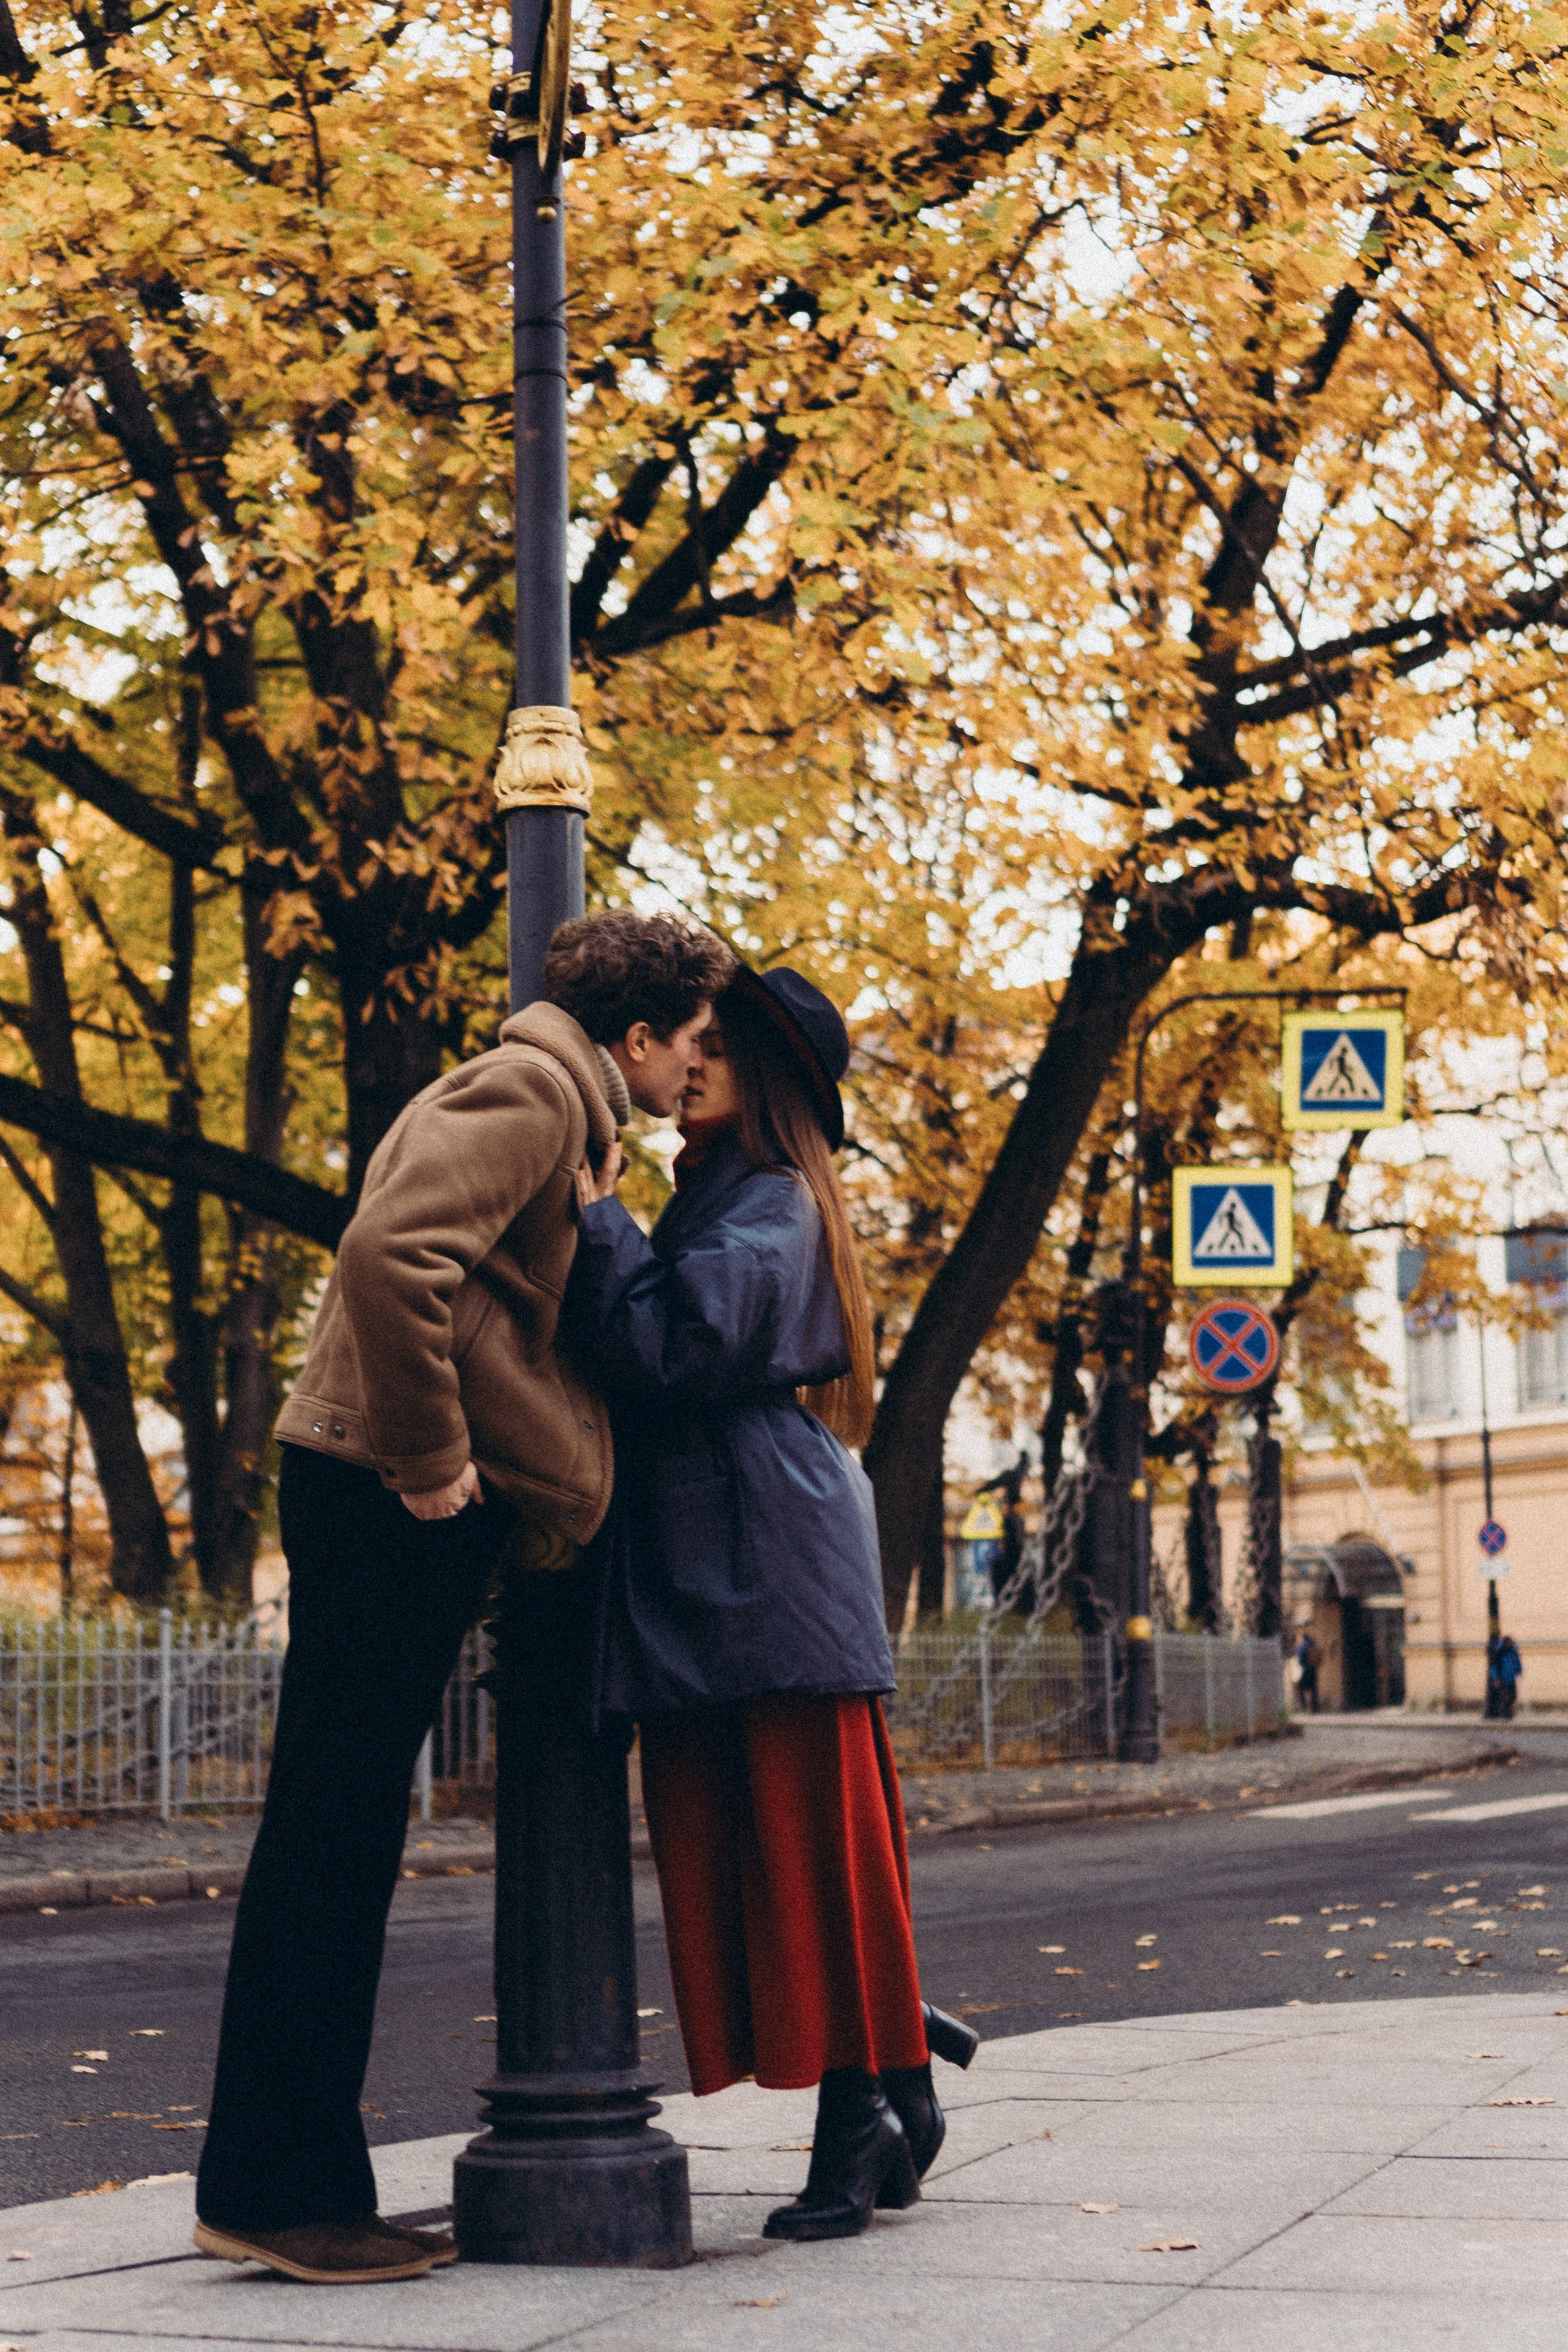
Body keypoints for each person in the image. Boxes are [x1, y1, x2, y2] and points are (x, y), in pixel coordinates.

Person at [192, 911, 731, 2288]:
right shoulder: (533, 1092)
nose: (693, 1072)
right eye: (689, 1045)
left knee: (340, 1831)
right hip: (383, 1490)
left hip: (383, 1489)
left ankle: (290, 2181)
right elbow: (390, 1258)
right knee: (331, 1836)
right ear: (636, 1037)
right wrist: (433, 1463)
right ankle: (275, 2192)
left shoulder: (560, 1105)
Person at [566, 962, 978, 2248]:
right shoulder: (712, 1196)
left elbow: (665, 1345)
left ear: (768, 1088)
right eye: (685, 1044)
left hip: (770, 1562)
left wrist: (595, 1218)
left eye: (714, 1053)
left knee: (808, 1852)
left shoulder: (775, 1201)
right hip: (718, 1558)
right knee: (750, 1856)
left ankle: (859, 2124)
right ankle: (897, 2065)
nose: (684, 1065)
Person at [1492, 1632, 1523, 1721]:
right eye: (1508, 1643)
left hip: (1511, 1679)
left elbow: (1517, 1662)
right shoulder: (1500, 1653)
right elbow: (1494, 1667)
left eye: (1511, 1642)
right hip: (1503, 1679)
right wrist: (1496, 1679)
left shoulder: (1513, 1652)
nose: (1509, 1644)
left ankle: (1509, 1714)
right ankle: (1504, 1715)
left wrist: (1519, 1671)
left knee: (1513, 1697)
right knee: (1505, 1698)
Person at [1294, 1627, 1321, 1714]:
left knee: (1303, 1689)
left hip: (1304, 1670)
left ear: (1303, 1638)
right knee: (1313, 1688)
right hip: (1313, 1669)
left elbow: (1299, 1658)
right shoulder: (1313, 1644)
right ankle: (1314, 1708)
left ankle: (1305, 1708)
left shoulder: (1301, 1647)